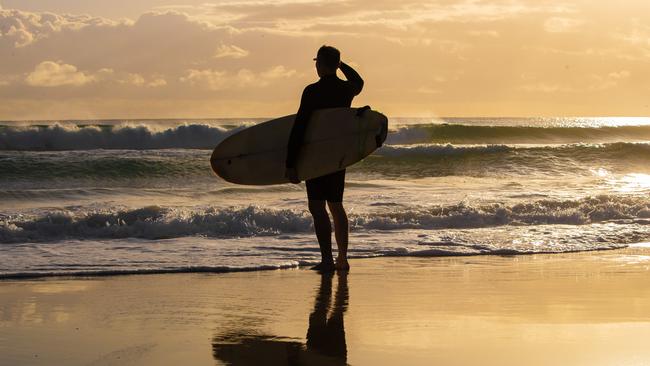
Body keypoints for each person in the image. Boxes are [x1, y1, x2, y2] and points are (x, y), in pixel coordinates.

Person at [285, 45, 364, 272]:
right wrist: (342, 65)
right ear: (336, 64)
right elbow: (360, 81)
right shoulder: (346, 89)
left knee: (317, 207)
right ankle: (343, 259)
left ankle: (327, 260)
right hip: (338, 156)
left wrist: (291, 163)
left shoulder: (312, 91)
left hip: (316, 157)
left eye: (317, 62)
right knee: (336, 206)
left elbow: (299, 127)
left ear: (320, 64)